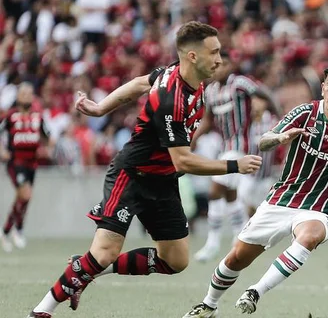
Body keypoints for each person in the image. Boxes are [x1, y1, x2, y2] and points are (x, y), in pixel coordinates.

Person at [26, 21, 263, 318]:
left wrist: (101, 108)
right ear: (192, 56)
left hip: (162, 182)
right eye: (214, 52)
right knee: (104, 252)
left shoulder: (187, 77)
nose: (219, 59)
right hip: (132, 176)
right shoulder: (172, 100)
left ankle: (84, 270)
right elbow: (183, 161)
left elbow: (139, 82)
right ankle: (41, 311)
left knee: (175, 261)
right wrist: (234, 165)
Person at [181, 63, 328, 318]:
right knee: (237, 257)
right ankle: (209, 305)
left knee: (309, 235)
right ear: (323, 88)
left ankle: (255, 291)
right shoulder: (305, 113)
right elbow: (264, 140)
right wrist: (280, 138)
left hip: (321, 209)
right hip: (282, 201)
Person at [191, 51, 279, 262]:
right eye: (215, 64)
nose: (218, 68)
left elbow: (263, 93)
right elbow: (208, 120)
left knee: (214, 191)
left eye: (222, 64)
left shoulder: (240, 83)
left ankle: (212, 244)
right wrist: (193, 140)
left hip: (242, 147)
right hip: (225, 147)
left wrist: (279, 118)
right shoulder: (210, 91)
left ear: (230, 66)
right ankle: (239, 237)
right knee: (230, 194)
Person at [0, 82, 52, 252]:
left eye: (29, 93)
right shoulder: (10, 116)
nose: (26, 97)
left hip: (32, 163)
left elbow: (47, 137)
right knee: (25, 194)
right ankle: (14, 230)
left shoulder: (38, 116)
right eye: (23, 93)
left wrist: (47, 148)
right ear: (17, 96)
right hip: (16, 162)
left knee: (24, 198)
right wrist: (2, 151)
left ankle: (9, 230)